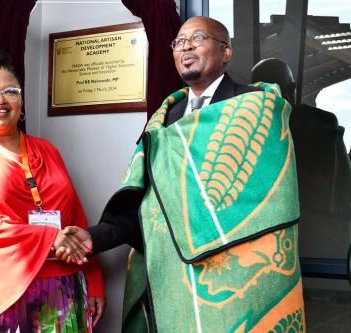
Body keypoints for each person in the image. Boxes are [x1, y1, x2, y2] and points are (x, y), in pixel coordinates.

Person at [60, 16, 305, 332]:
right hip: (173, 285)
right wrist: (92, 237)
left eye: (198, 37)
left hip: (242, 283)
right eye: (178, 41)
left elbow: (271, 201)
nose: (186, 46)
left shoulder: (256, 105)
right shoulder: (163, 122)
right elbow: (150, 211)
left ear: (226, 52)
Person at [0, 50, 105, 333]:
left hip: (59, 287)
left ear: (21, 103)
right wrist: (47, 239)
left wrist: (95, 278)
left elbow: (75, 217)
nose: (0, 99)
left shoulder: (48, 150)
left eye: (10, 91)